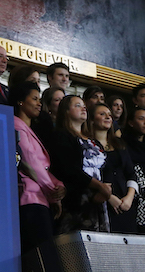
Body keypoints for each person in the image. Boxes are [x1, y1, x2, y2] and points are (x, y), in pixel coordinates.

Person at [11, 81, 65, 252]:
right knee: (40, 255)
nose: (39, 103)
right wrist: (52, 191)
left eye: (39, 99)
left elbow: (43, 167)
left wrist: (59, 185)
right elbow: (29, 161)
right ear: (20, 101)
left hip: (41, 198)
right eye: (34, 98)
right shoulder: (15, 124)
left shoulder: (28, 128)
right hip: (29, 198)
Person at [47, 95, 111, 231]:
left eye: (84, 105)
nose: (83, 108)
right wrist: (99, 186)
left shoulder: (93, 140)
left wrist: (106, 190)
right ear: (66, 111)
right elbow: (70, 170)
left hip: (99, 200)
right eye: (77, 105)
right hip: (76, 200)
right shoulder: (62, 136)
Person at [85, 103, 138, 233]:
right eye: (102, 114)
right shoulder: (87, 145)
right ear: (91, 120)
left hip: (125, 201)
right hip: (102, 204)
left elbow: (131, 173)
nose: (108, 117)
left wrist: (130, 197)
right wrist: (109, 197)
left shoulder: (119, 143)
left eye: (109, 115)